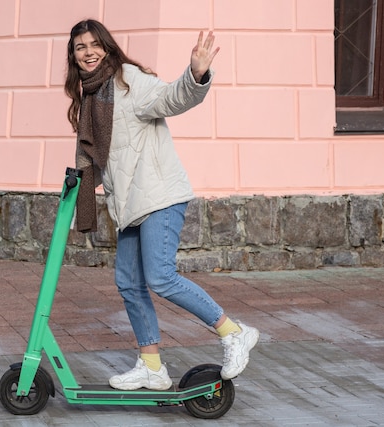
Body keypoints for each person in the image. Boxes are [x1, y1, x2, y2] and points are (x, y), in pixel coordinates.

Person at [65, 19, 259, 391]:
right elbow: (103, 157)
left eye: (94, 44)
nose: (88, 52)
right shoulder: (91, 97)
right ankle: (151, 365)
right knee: (128, 282)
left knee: (160, 277)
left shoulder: (128, 80)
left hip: (158, 196)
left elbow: (170, 98)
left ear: (106, 47)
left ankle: (235, 332)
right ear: (73, 56)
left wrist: (196, 75)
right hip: (130, 203)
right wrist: (78, 184)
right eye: (79, 47)